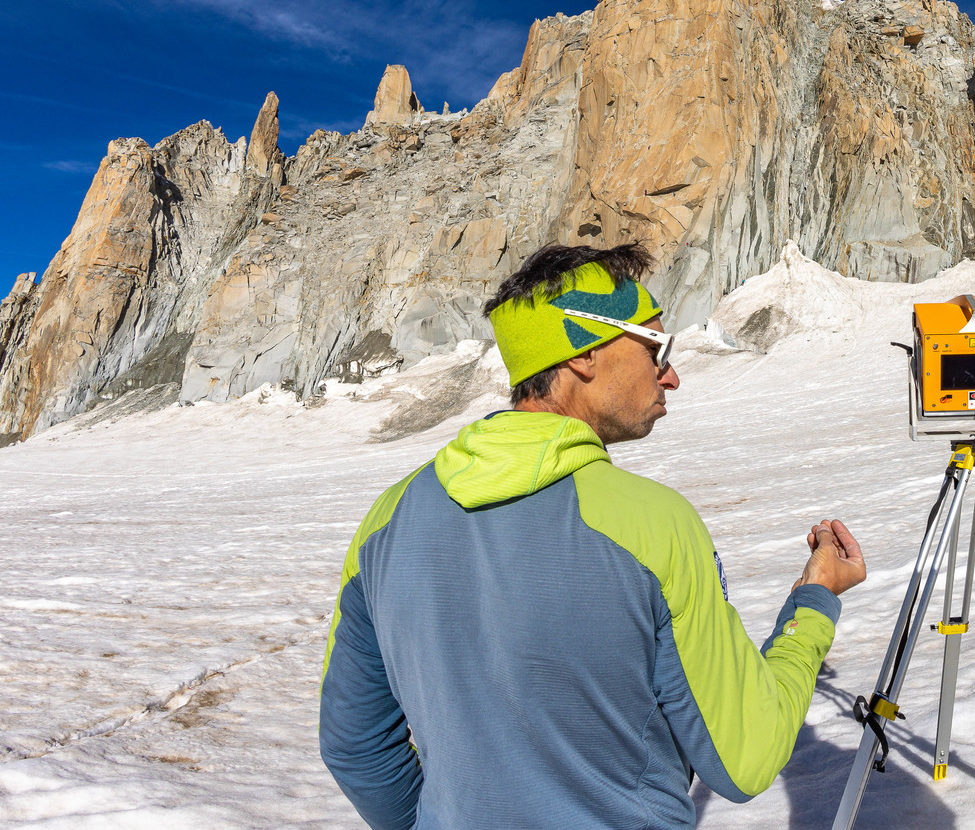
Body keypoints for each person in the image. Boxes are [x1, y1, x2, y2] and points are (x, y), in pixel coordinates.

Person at [319, 242, 866, 829]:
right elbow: (746, 758)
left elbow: (355, 746)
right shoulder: (652, 524)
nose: (671, 376)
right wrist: (814, 602)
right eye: (655, 349)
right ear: (583, 354)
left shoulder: (386, 520)